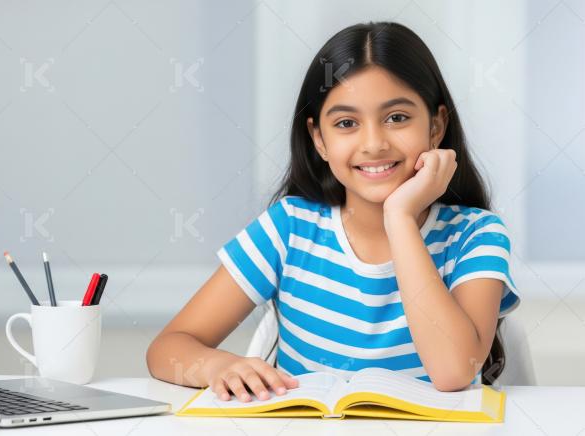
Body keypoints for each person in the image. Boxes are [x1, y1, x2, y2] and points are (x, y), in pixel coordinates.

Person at [147, 21, 521, 402]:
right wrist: (216, 365)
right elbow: (167, 349)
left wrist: (400, 219)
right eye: (346, 123)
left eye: (397, 118)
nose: (374, 143)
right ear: (319, 140)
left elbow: (454, 371)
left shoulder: (476, 235)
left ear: (436, 126)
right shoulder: (289, 228)